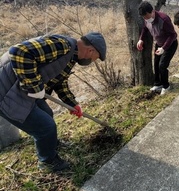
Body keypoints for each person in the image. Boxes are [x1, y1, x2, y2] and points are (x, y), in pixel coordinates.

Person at [0, 32, 107, 172]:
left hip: (21, 90)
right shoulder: (63, 46)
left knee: (47, 113)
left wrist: (72, 103)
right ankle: (47, 162)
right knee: (45, 127)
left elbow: (59, 82)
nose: (92, 61)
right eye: (95, 58)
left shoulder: (70, 56)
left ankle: (50, 144)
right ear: (90, 50)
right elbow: (19, 51)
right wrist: (34, 85)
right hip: (6, 92)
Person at [137, 1, 178, 95]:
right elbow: (145, 28)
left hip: (170, 44)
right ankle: (157, 84)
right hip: (159, 44)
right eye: (144, 18)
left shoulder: (164, 19)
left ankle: (166, 86)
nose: (146, 19)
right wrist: (141, 39)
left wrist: (164, 48)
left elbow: (172, 35)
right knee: (156, 64)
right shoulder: (146, 19)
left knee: (162, 65)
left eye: (147, 17)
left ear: (152, 12)